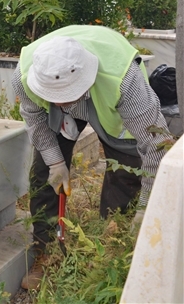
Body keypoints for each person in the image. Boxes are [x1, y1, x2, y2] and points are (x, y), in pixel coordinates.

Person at [11, 25, 171, 290]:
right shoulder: (26, 74)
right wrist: (55, 162)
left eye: (67, 96)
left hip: (112, 103)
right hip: (65, 104)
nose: (62, 103)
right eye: (55, 97)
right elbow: (35, 119)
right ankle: (47, 251)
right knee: (43, 176)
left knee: (126, 176)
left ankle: (109, 251)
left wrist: (145, 207)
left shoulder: (124, 80)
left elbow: (156, 145)